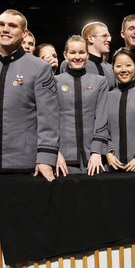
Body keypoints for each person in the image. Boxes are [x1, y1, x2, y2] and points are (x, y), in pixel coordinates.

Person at [0, 9, 59, 181]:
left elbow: (48, 118)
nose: (5, 29)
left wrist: (46, 159)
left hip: (26, 165)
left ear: (24, 33)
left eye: (12, 26)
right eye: (1, 25)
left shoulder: (40, 68)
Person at [55, 35, 108, 176]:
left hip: (94, 160)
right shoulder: (55, 82)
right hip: (62, 160)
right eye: (72, 52)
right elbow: (49, 120)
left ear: (87, 54)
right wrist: (54, 152)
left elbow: (102, 118)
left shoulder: (100, 82)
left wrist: (97, 151)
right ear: (65, 55)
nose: (77, 57)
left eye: (81, 52)